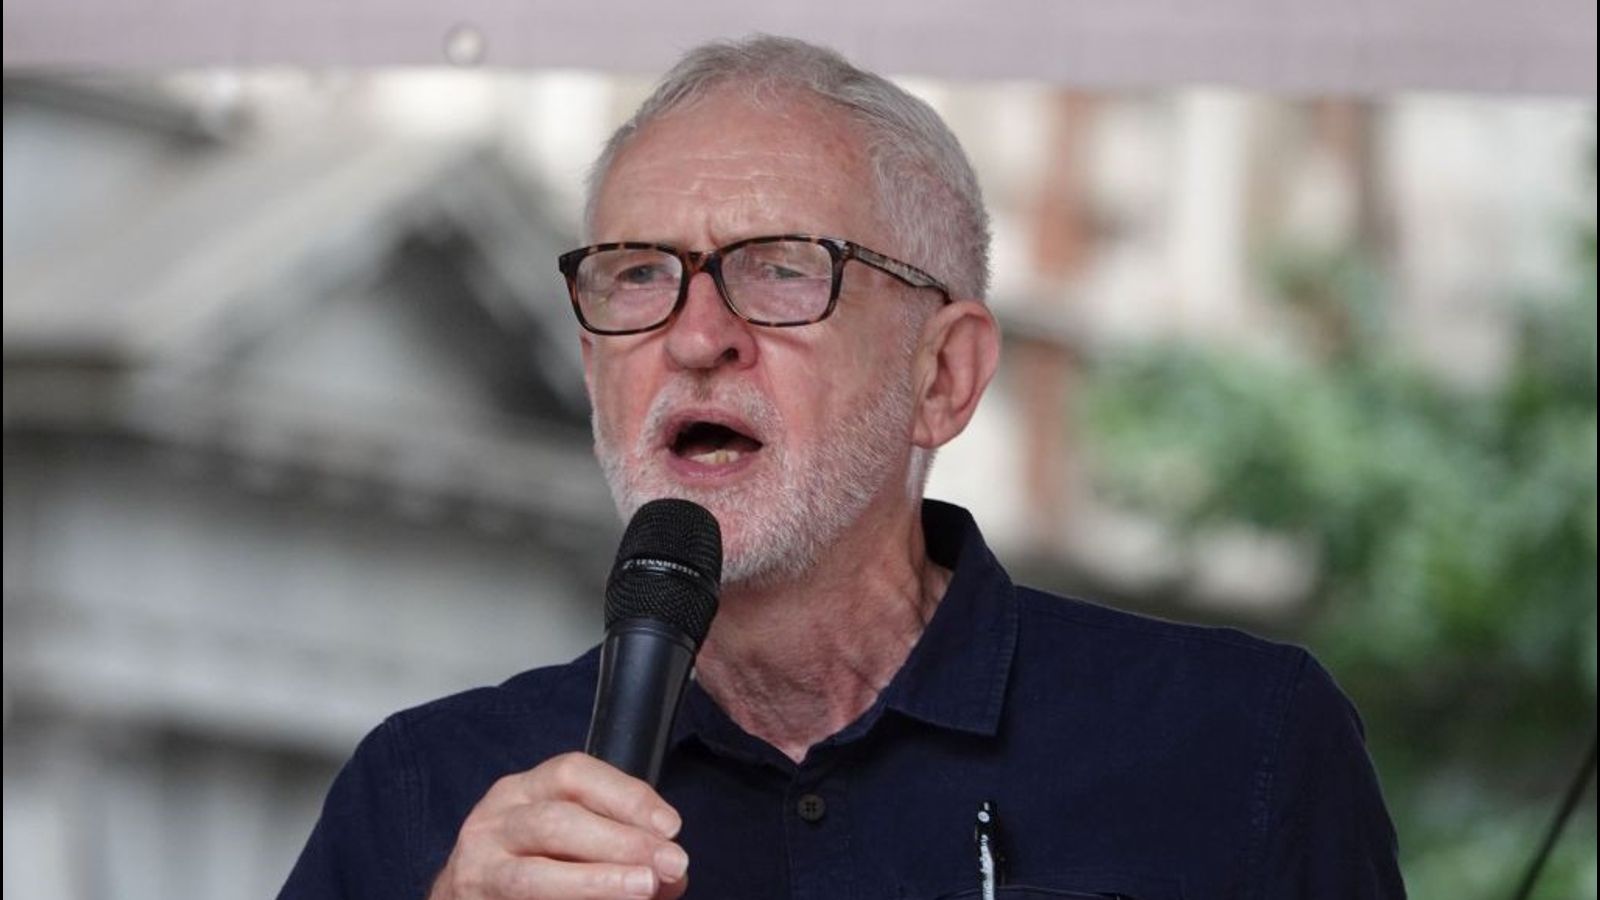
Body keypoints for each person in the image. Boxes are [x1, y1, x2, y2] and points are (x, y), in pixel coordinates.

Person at [280, 35, 1405, 900]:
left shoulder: (1238, 745)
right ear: (590, 370)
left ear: (943, 375)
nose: (694, 336)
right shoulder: (427, 796)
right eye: (638, 276)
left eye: (779, 270)